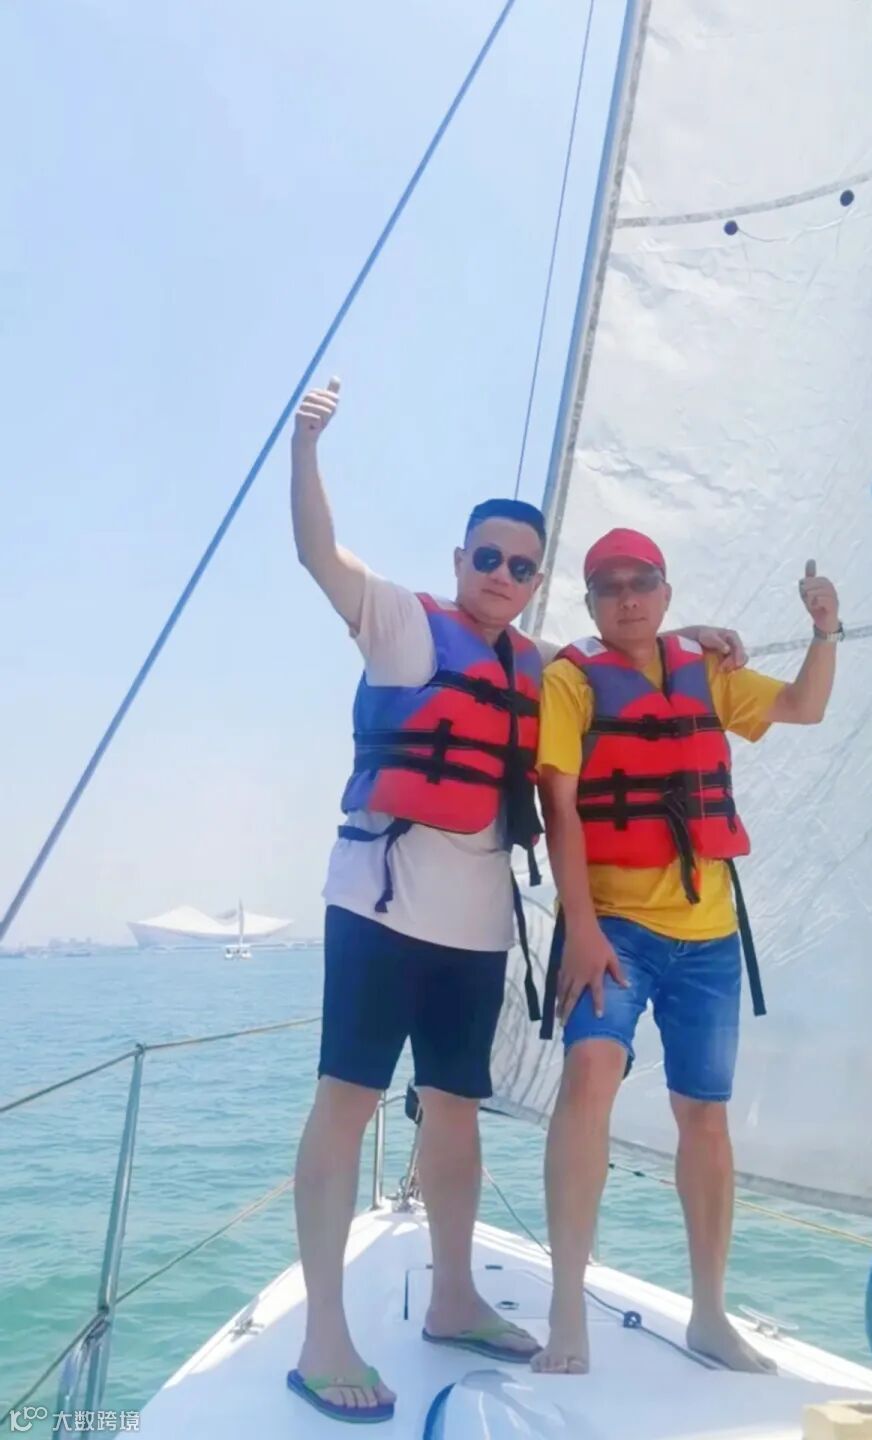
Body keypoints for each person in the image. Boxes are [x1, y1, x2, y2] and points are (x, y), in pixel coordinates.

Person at [286, 382, 749, 1423]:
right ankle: (323, 1337)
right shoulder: (400, 621)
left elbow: (625, 654)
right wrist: (305, 447)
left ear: (537, 583)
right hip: (379, 905)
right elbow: (318, 552)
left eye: (521, 566)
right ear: (461, 561)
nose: (501, 575)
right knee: (346, 1103)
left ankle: (454, 1297)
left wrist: (701, 635)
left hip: (476, 927)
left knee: (457, 1109)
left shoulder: (539, 664)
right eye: (487, 558)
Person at [531, 527, 842, 1377]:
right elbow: (560, 810)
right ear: (592, 603)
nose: (627, 597)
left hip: (708, 937)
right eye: (609, 586)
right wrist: (581, 929)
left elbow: (803, 707)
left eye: (642, 582)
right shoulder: (570, 681)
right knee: (589, 1074)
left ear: (666, 593)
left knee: (704, 1114)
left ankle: (710, 1313)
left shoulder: (708, 670)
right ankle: (567, 1305)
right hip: (613, 929)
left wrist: (824, 631)